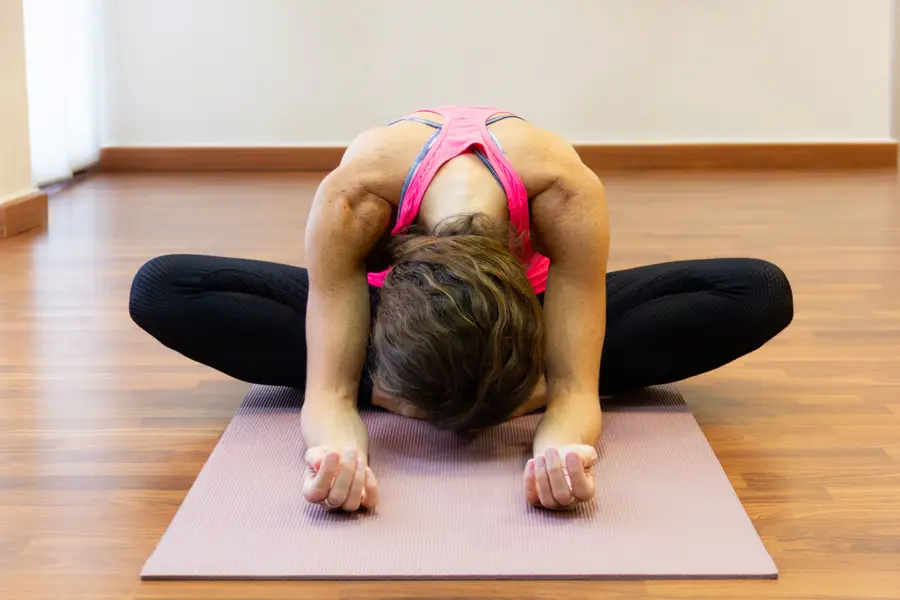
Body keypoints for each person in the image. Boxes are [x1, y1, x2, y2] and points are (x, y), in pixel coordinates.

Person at [129, 106, 793, 513]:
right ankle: (451, 377)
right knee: (163, 289)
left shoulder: (565, 192)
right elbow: (331, 391)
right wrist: (336, 451)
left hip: (519, 311)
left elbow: (574, 387)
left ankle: (454, 378)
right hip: (409, 314)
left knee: (755, 293)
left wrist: (563, 445)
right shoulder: (354, 199)